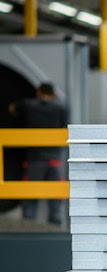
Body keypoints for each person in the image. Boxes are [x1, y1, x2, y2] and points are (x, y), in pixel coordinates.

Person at [9, 83, 67, 225]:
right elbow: (64, 127)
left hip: (34, 160)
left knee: (30, 197)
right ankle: (56, 229)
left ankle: (28, 228)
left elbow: (12, 109)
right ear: (53, 95)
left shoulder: (27, 105)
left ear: (38, 92)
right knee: (55, 198)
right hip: (54, 160)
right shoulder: (60, 108)